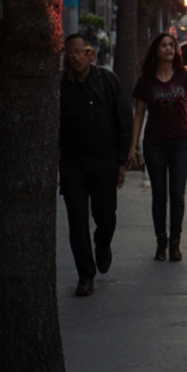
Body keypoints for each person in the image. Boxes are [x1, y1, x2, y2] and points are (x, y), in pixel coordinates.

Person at [59, 32, 132, 296]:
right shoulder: (61, 85)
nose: (73, 57)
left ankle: (103, 244)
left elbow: (125, 120)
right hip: (72, 164)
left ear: (90, 54)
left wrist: (123, 162)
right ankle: (85, 275)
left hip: (104, 162)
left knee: (105, 218)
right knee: (77, 220)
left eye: (78, 51)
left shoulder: (107, 81)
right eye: (69, 52)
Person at [129, 32, 187, 262]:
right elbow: (139, 115)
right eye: (164, 45)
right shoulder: (146, 80)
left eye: (172, 45)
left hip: (181, 142)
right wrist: (133, 146)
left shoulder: (185, 77)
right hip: (154, 143)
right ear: (156, 50)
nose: (169, 49)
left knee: (178, 194)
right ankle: (161, 241)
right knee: (159, 194)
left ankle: (175, 243)